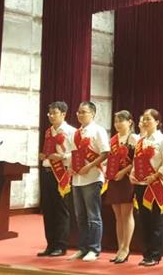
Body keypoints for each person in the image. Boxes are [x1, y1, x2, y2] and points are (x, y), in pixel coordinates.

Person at [68, 101, 110, 262]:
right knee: (80, 216)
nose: (80, 114)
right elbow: (73, 154)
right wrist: (70, 167)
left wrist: (89, 166)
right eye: (78, 112)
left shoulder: (98, 130)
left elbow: (105, 152)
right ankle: (83, 248)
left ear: (92, 113)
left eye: (83, 112)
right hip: (77, 179)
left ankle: (94, 249)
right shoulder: (76, 133)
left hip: (92, 177)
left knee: (93, 216)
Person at [131, 108, 163, 267]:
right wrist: (132, 174)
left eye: (149, 119)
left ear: (157, 122)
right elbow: (135, 161)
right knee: (144, 220)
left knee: (156, 220)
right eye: (144, 119)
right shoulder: (140, 141)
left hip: (155, 185)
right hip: (140, 184)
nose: (145, 122)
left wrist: (156, 175)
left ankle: (155, 254)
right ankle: (146, 253)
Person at [36, 101, 76, 256]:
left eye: (55, 113)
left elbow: (76, 153)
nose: (51, 116)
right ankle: (50, 244)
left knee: (60, 210)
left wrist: (63, 156)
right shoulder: (48, 131)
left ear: (63, 114)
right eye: (50, 113)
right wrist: (43, 156)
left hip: (61, 174)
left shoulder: (71, 131)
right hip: (47, 171)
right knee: (48, 210)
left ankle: (61, 245)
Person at [103, 110, 139, 264]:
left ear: (129, 122)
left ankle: (126, 248)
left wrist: (123, 172)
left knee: (126, 214)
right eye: (116, 121)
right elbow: (110, 159)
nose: (117, 124)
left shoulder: (134, 138)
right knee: (118, 216)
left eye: (121, 121)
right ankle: (119, 247)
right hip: (114, 179)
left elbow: (137, 161)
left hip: (127, 179)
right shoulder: (113, 140)